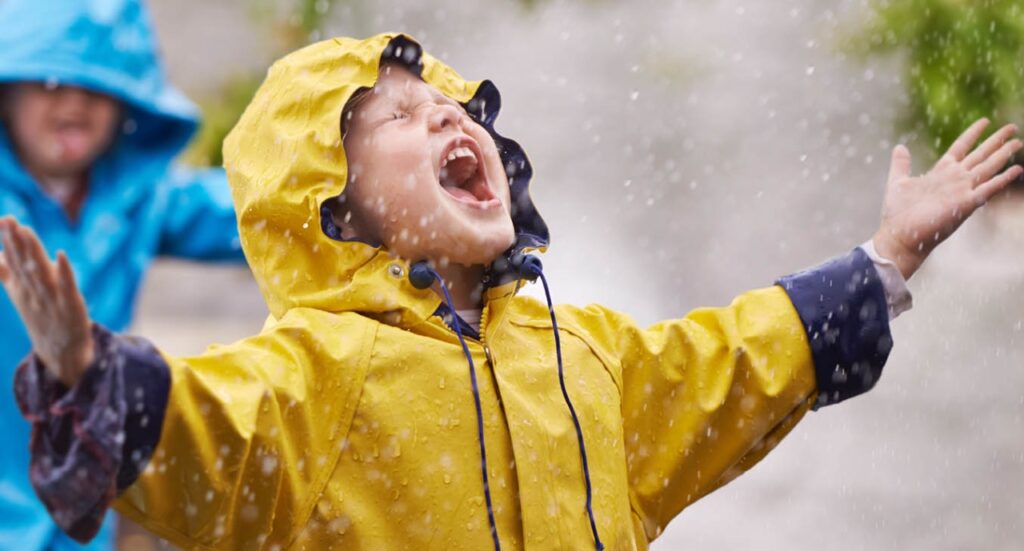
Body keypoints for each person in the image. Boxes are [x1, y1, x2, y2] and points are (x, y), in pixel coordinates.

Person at [2, 33, 1021, 549]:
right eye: (401, 114)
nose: (453, 117)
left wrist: (883, 257)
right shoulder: (316, 379)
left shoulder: (581, 354)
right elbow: (200, 430)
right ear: (335, 207)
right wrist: (85, 369)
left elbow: (729, 361)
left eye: (455, 104)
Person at [0, 0, 246, 549]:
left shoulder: (137, 199)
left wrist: (366, 204)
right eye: (48, 81)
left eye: (97, 86)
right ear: (6, 90)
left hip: (80, 514)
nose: (73, 102)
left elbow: (252, 214)